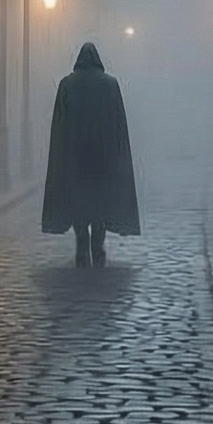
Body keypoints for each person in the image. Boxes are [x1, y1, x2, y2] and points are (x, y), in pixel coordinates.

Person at [41, 41, 141, 265]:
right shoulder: (110, 85)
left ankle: (81, 243)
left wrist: (60, 158)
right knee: (100, 203)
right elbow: (118, 126)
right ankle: (98, 244)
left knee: (79, 203)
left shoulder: (67, 85)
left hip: (75, 157)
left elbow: (59, 126)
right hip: (103, 158)